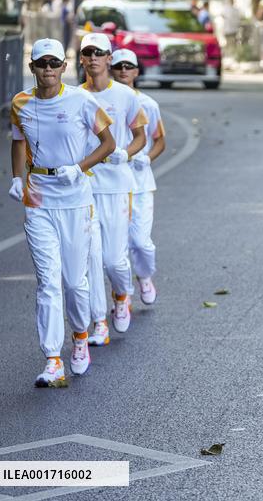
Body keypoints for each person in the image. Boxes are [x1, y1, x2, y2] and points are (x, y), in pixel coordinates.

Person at [9, 39, 115, 386]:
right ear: (33, 68)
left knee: (74, 281)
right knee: (48, 282)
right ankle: (52, 359)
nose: (48, 69)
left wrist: (79, 167)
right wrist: (15, 178)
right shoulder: (20, 103)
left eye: (55, 63)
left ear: (64, 67)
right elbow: (17, 139)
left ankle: (80, 338)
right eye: (42, 63)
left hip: (75, 199)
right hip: (38, 199)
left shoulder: (82, 101)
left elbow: (108, 144)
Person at [79, 32, 148, 345]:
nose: (93, 57)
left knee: (113, 260)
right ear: (81, 58)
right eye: (87, 52)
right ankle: (98, 322)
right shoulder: (74, 96)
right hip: (84, 187)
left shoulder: (126, 96)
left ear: (109, 57)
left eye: (99, 52)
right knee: (90, 259)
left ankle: (122, 294)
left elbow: (140, 137)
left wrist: (125, 152)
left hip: (118, 185)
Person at [109, 49, 166, 305]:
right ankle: (121, 295)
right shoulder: (100, 102)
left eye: (128, 66)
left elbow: (160, 140)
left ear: (136, 72)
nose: (123, 70)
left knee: (141, 243)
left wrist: (148, 157)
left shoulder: (148, 105)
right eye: (118, 65)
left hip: (141, 182)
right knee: (115, 246)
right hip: (112, 183)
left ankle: (144, 276)